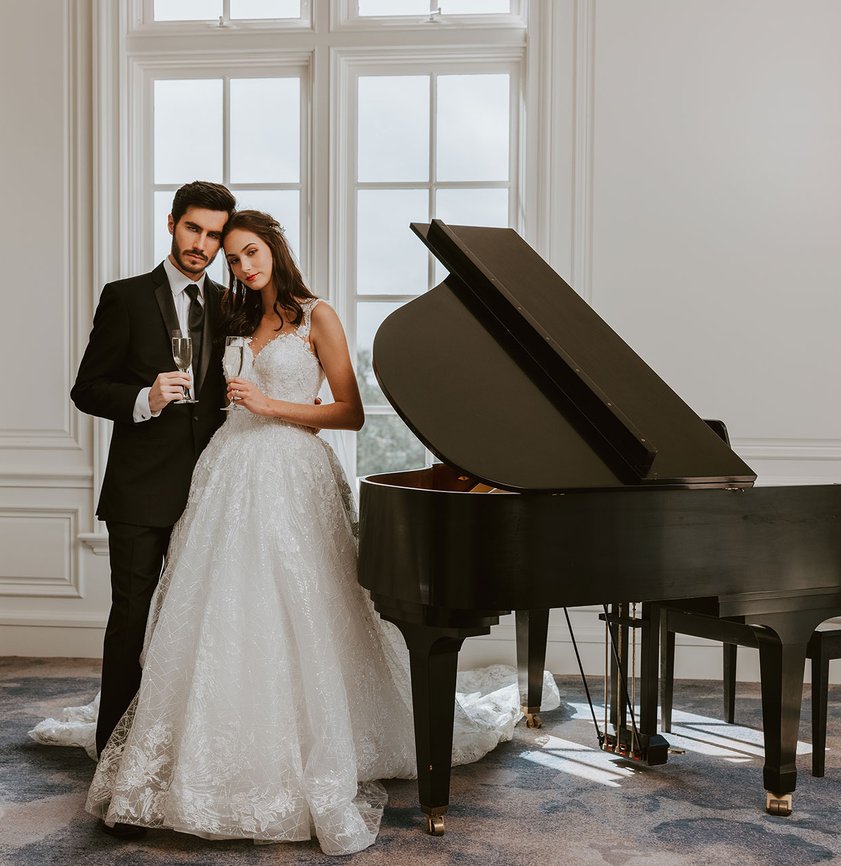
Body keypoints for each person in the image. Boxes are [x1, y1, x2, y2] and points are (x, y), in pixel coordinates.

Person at [81, 210, 558, 855]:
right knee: (224, 611)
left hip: (291, 472)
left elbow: (352, 411)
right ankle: (218, 746)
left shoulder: (316, 315)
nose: (245, 267)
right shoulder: (234, 318)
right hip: (225, 471)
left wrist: (272, 406)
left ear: (275, 249)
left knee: (301, 605)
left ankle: (312, 747)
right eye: (235, 259)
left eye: (253, 253)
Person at [69, 181, 236, 815]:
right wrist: (145, 398)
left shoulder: (229, 305)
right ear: (172, 225)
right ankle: (113, 748)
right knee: (131, 617)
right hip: (139, 488)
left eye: (215, 235)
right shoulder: (126, 297)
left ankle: (188, 747)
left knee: (200, 620)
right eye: (194, 230)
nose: (204, 245)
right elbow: (87, 389)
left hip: (213, 489)